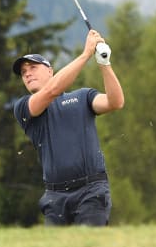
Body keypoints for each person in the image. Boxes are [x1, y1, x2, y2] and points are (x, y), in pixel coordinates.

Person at [12, 30, 124, 226]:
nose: (27, 73)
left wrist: (104, 63)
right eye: (23, 72)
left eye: (32, 67)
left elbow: (115, 102)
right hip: (55, 197)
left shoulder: (82, 97)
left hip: (92, 190)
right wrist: (85, 54)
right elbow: (52, 90)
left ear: (50, 70)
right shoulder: (24, 107)